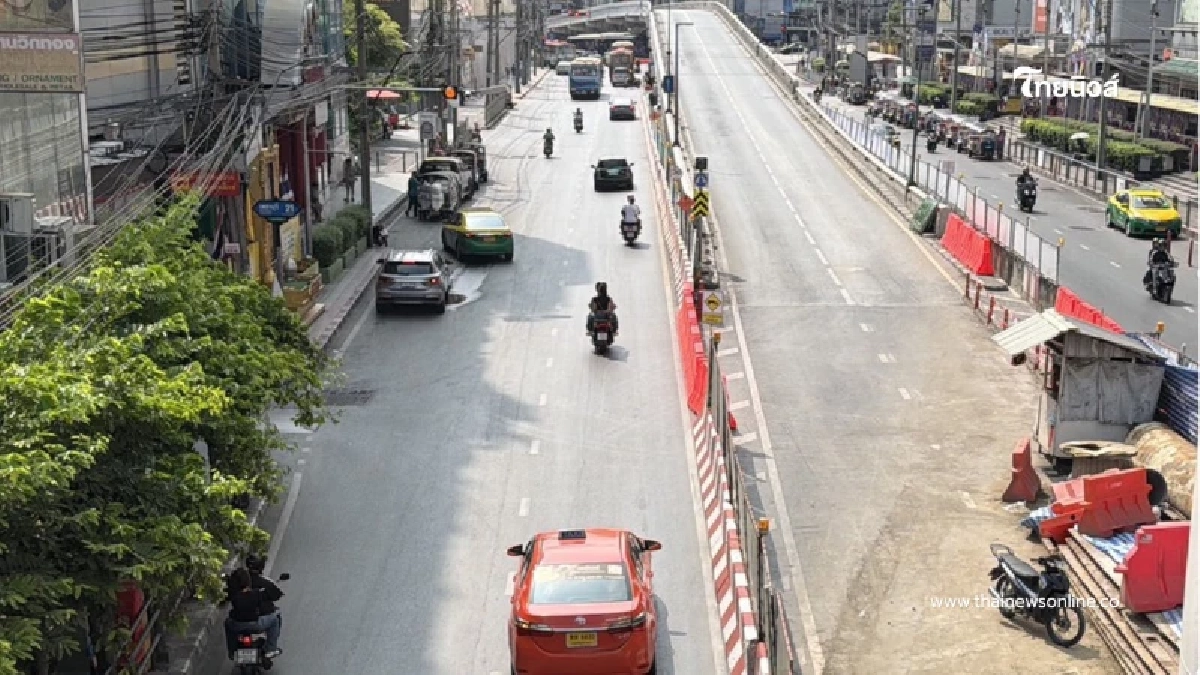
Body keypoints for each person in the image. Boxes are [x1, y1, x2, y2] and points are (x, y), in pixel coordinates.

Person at [223, 567, 282, 660]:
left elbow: (224, 599)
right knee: (274, 619)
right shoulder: (256, 593)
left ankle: (232, 650)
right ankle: (271, 649)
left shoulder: (233, 594)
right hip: (255, 624)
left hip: (237, 625)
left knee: (227, 623)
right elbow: (265, 601)